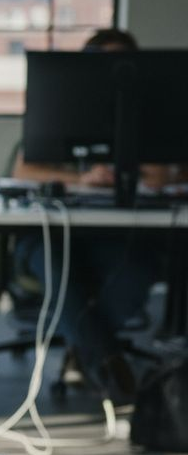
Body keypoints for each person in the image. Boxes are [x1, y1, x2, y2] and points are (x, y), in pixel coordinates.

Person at [10, 28, 183, 394]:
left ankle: (84, 347)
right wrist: (86, 177)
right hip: (51, 233)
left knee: (136, 271)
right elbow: (23, 171)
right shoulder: (59, 106)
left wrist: (125, 166)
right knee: (56, 265)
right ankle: (105, 355)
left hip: (119, 235)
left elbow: (166, 172)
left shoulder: (150, 114)